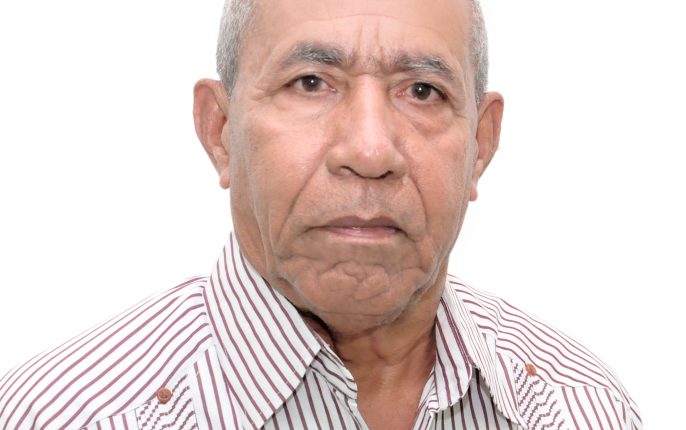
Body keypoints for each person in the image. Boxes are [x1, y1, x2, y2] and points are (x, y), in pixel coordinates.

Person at [0, 0, 642, 428]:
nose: (370, 150)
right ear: (219, 131)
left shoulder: (581, 408)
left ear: (481, 144)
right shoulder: (68, 416)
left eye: (422, 91)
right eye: (310, 82)